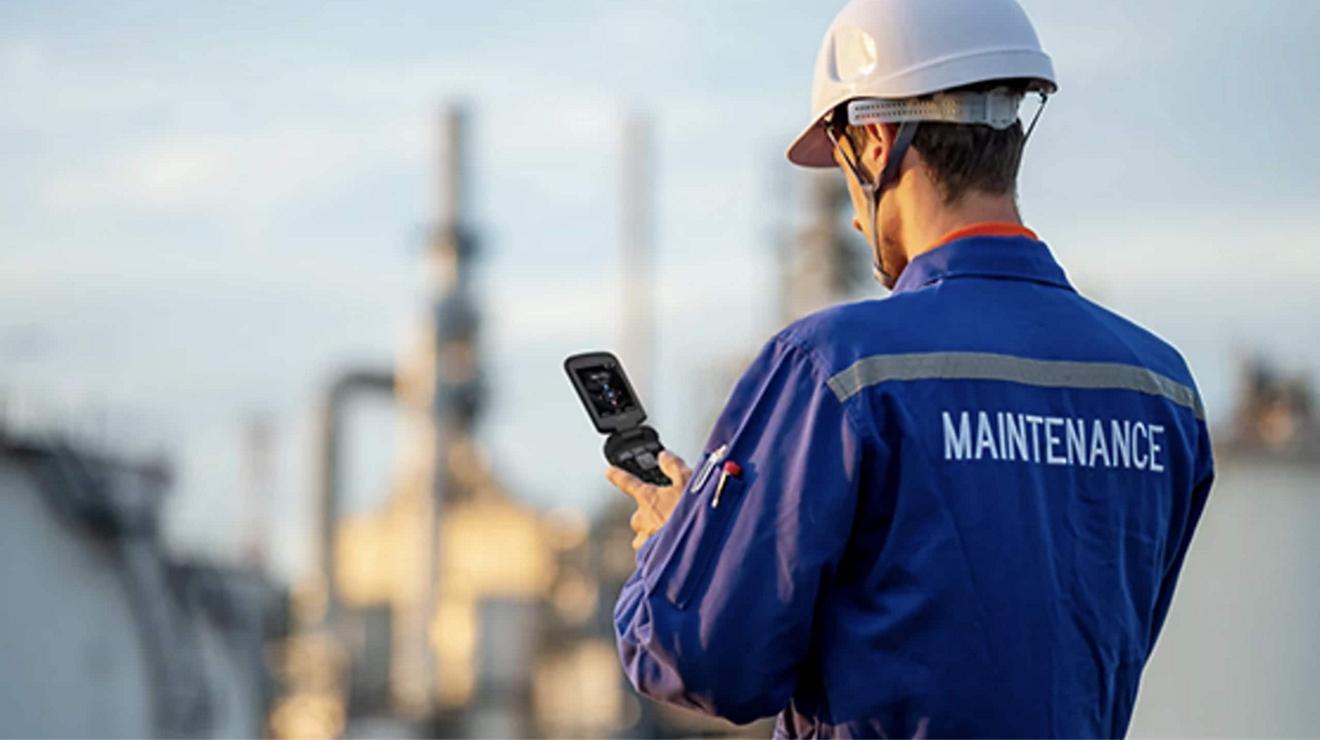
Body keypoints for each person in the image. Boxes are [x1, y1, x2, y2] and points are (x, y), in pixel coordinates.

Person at [606, 0, 1214, 736]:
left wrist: (686, 552)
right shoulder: (1162, 391)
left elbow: (699, 659)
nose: (856, 219)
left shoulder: (835, 369)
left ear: (875, 141)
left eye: (839, 169)